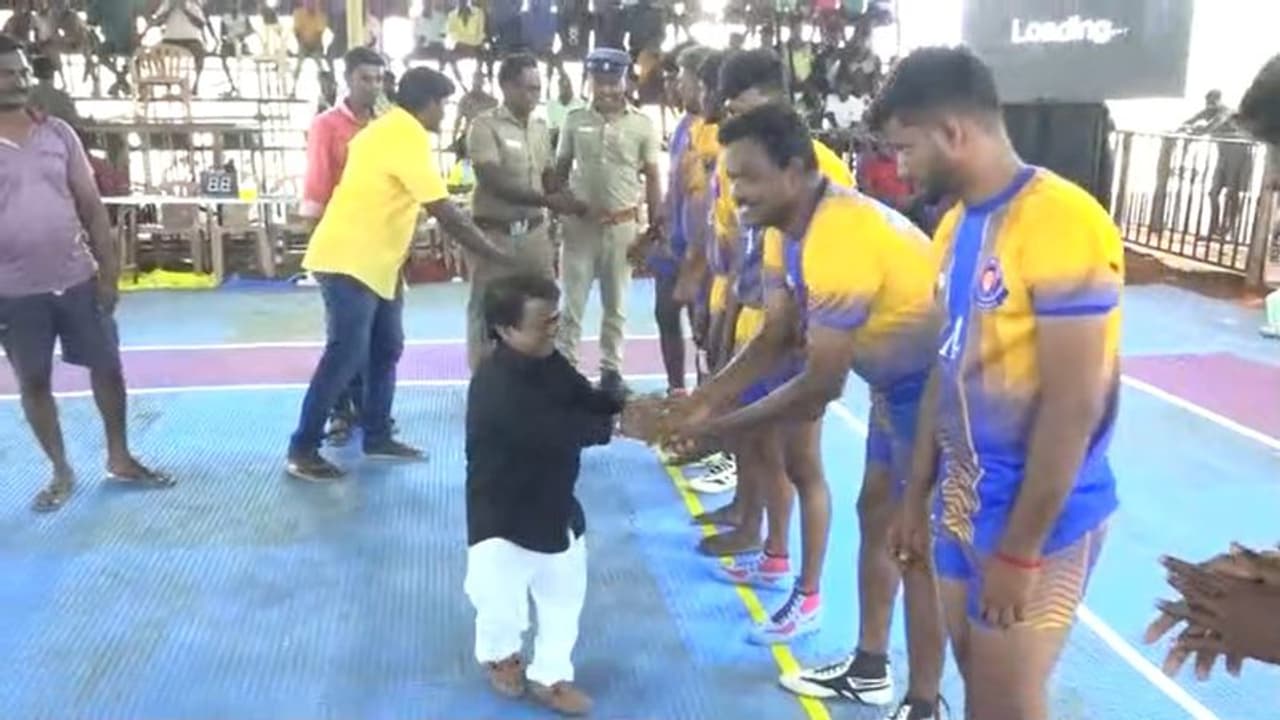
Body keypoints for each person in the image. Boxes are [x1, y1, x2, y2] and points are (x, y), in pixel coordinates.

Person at [666, 104, 947, 719]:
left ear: (794, 171)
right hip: (896, 389)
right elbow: (775, 335)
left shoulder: (837, 238)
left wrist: (714, 429)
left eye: (748, 177)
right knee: (878, 516)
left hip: (939, 399)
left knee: (918, 547)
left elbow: (820, 386)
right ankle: (870, 668)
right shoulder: (781, 229)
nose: (734, 192)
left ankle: (925, 704)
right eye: (729, 178)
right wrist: (703, 401)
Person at [877, 47, 1121, 720]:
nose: (900, 170)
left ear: (953, 132)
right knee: (979, 689)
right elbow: (946, 366)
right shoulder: (955, 227)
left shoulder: (1063, 221)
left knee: (1003, 705)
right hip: (963, 501)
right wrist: (914, 495)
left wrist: (1020, 550)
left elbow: (1075, 404)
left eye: (905, 149)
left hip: (1040, 515)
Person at [675, 50, 855, 642]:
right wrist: (725, 318)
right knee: (758, 445)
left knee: (802, 463)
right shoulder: (743, 167)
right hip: (761, 318)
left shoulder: (824, 173)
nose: (732, 115)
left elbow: (830, 276)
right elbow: (740, 253)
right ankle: (773, 552)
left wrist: (705, 415)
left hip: (806, 337)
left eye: (741, 104)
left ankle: (809, 592)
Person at [286, 67, 514, 482]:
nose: (445, 114)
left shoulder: (388, 129)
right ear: (428, 104)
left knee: (386, 346)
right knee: (346, 355)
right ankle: (302, 449)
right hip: (350, 259)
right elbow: (443, 210)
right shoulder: (403, 135)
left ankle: (377, 434)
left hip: (378, 263)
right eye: (443, 105)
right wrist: (494, 254)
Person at [0, 35, 171, 512]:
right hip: (13, 291)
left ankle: (120, 457)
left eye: (21, 72)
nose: (17, 81)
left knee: (108, 368)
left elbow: (92, 207)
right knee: (34, 380)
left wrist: (109, 273)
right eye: (6, 73)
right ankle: (60, 470)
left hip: (76, 277)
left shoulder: (58, 134)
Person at [464, 273, 624, 716]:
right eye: (543, 323)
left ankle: (550, 675)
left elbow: (586, 400)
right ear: (505, 329)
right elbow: (561, 431)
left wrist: (629, 404)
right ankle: (500, 656)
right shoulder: (495, 388)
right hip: (502, 516)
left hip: (555, 506)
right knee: (498, 601)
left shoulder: (550, 362)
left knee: (564, 597)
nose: (555, 328)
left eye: (556, 318)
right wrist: (625, 425)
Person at [465, 53, 587, 370]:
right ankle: (484, 381)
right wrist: (550, 202)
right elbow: (492, 180)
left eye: (537, 88)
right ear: (506, 86)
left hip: (534, 236)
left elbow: (547, 175)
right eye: (527, 88)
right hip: (494, 237)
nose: (534, 95)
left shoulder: (539, 127)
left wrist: (571, 198)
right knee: (488, 310)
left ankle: (540, 374)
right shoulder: (484, 126)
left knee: (545, 304)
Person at [554, 47, 663, 395]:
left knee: (616, 305)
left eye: (613, 81)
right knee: (572, 304)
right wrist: (563, 210)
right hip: (580, 228)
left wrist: (653, 231)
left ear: (625, 81)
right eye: (599, 81)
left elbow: (653, 177)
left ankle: (611, 371)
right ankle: (566, 370)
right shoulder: (574, 119)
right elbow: (559, 173)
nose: (606, 89)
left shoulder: (643, 124)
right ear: (589, 81)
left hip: (622, 228)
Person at [298, 46, 387, 446]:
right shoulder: (327, 126)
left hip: (381, 248)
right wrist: (320, 249)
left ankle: (372, 416)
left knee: (379, 340)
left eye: (379, 79)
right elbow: (318, 186)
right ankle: (338, 415)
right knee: (346, 341)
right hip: (342, 246)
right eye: (365, 78)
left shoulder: (387, 126)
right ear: (348, 79)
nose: (373, 86)